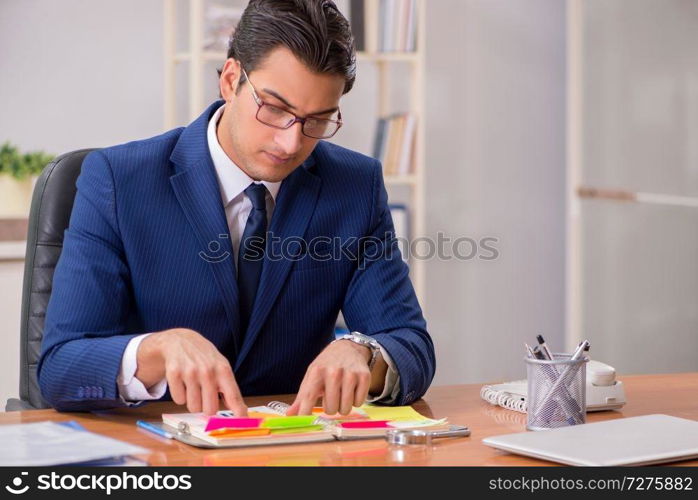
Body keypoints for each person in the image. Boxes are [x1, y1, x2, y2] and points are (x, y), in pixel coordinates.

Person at [38, 0, 434, 416]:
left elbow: (411, 345)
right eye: (275, 109)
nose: (291, 144)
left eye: (317, 120)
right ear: (230, 80)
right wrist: (158, 350)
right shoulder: (120, 180)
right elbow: (60, 368)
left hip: (293, 454)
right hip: (163, 458)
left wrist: (363, 354)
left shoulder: (354, 186)